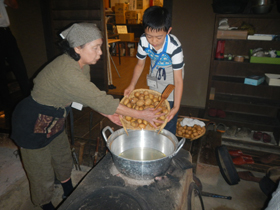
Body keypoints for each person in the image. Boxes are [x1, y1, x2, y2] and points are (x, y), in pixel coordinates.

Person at [10, 23, 163, 210]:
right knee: (40, 170)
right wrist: (141, 114)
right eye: (95, 48)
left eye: (100, 46)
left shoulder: (81, 65)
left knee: (62, 156)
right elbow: (99, 98)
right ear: (77, 48)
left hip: (55, 119)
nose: (100, 52)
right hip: (32, 122)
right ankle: (46, 204)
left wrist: (107, 113)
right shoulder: (68, 71)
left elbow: (85, 96)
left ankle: (68, 190)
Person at [124, 6, 185, 135]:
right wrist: (132, 85)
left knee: (169, 119)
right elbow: (140, 65)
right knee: (154, 112)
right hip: (155, 75)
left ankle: (168, 145)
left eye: (159, 37)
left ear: (168, 31)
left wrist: (176, 107)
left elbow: (178, 80)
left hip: (171, 79)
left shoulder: (174, 47)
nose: (153, 41)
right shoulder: (143, 41)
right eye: (149, 36)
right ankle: (153, 138)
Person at [0, 0, 31, 126]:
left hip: (5, 31)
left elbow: (15, 5)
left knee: (19, 67)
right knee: (0, 73)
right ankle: (7, 109)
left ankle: (31, 99)